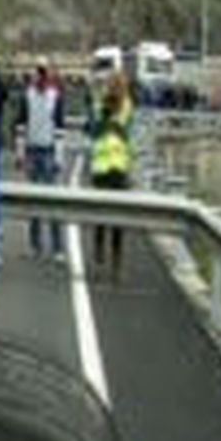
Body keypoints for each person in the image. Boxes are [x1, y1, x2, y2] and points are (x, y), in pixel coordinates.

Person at [16, 57, 65, 262]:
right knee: (34, 201)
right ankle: (35, 246)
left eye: (44, 71)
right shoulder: (27, 95)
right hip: (32, 149)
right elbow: (21, 124)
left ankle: (57, 247)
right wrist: (20, 152)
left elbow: (59, 128)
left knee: (52, 200)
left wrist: (59, 157)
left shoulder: (55, 96)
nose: (42, 75)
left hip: (49, 150)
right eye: (39, 71)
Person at [90, 72, 134, 283]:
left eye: (118, 85)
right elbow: (94, 131)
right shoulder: (100, 104)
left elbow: (124, 131)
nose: (115, 88)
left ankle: (116, 264)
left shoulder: (127, 106)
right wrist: (104, 116)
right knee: (100, 218)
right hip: (102, 167)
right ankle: (99, 261)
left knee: (118, 221)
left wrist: (112, 120)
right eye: (112, 85)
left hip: (119, 167)